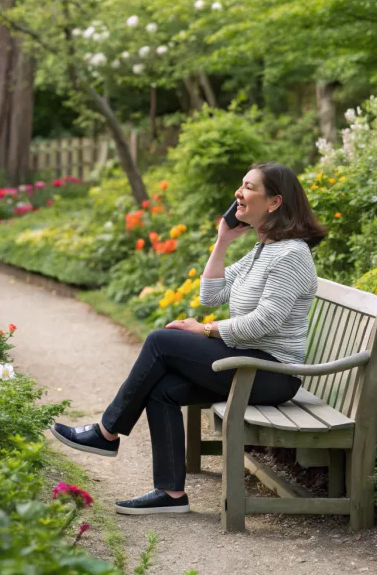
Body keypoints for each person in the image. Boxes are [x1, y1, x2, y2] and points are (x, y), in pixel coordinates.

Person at [51, 162, 327, 515]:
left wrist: (206, 329)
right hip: (248, 363)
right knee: (163, 387)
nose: (237, 194)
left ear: (274, 202)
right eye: (240, 186)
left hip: (271, 374)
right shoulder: (264, 250)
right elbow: (211, 295)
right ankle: (170, 494)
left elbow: (266, 322)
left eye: (247, 187)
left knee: (160, 341)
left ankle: (106, 433)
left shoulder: (291, 254)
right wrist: (223, 240)